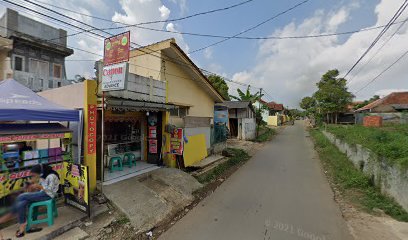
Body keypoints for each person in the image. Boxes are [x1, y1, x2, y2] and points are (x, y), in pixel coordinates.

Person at [0, 164, 60, 238]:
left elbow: (50, 190)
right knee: (21, 203)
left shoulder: (51, 176)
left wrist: (39, 186)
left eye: (34, 175)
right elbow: (41, 187)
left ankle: (16, 218)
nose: (34, 177)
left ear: (39, 172)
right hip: (42, 193)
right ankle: (23, 225)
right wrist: (33, 186)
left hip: (48, 195)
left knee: (21, 196)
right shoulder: (43, 176)